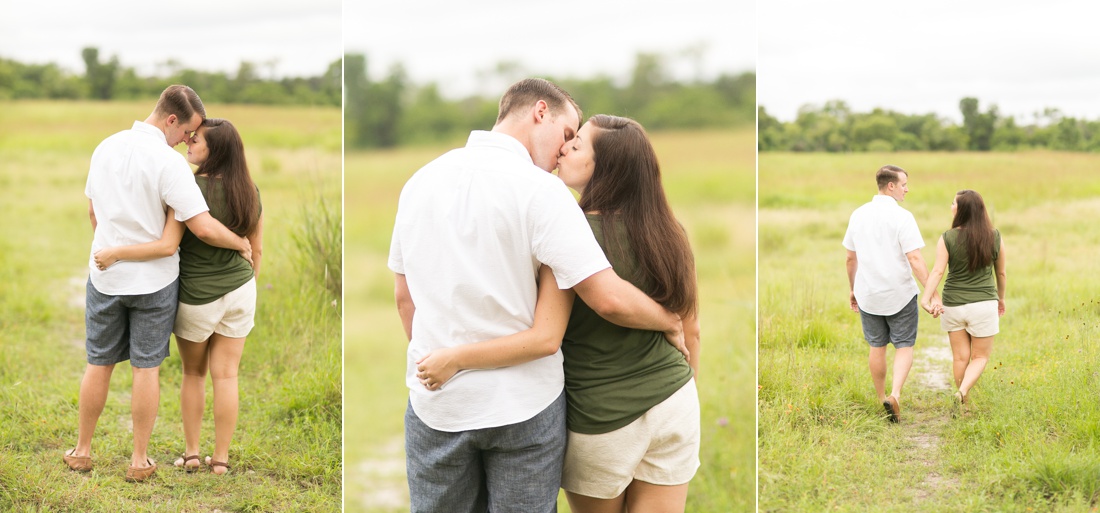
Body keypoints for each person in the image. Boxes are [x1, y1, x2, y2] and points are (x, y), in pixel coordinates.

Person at [388, 78, 686, 512]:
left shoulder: (419, 181)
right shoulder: (543, 192)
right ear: (540, 112)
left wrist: (441, 366)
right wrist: (668, 320)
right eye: (567, 135)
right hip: (525, 408)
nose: (563, 153)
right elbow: (607, 297)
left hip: (440, 405)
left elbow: (405, 298)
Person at [66, 86, 251, 482]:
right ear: (171, 120)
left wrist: (111, 249)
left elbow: (93, 213)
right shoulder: (170, 164)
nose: (187, 140)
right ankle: (139, 460)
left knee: (98, 364)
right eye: (187, 131)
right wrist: (241, 243)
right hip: (154, 283)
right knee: (145, 369)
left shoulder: (105, 147)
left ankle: (81, 451)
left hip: (106, 277)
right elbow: (200, 225)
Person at [842, 165, 937, 423]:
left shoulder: (858, 214)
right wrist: (931, 291)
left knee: (877, 345)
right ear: (891, 186)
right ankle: (894, 394)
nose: (907, 189)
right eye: (904, 184)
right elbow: (915, 257)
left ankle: (881, 396)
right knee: (904, 345)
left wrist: (853, 288)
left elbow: (851, 258)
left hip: (868, 293)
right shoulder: (902, 217)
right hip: (900, 293)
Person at [920, 189, 1006, 407]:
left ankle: (963, 403)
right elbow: (1001, 273)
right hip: (984, 304)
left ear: (962, 210)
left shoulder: (947, 237)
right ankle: (963, 391)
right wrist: (1001, 298)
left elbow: (938, 271)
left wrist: (926, 297)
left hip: (953, 305)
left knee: (960, 358)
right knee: (980, 357)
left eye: (953, 203)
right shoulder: (994, 236)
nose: (951, 207)